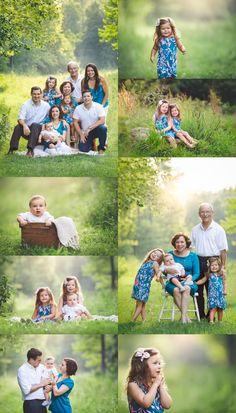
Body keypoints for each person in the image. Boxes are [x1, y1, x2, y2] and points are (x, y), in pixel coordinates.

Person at [190, 203, 228, 319]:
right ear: (199, 214)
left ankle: (210, 316)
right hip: (198, 260)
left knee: (212, 290)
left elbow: (223, 250)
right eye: (202, 212)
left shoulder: (218, 229)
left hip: (214, 262)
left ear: (212, 213)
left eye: (207, 211)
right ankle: (200, 315)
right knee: (198, 290)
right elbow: (190, 247)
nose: (205, 214)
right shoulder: (195, 229)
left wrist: (222, 267)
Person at [165, 233, 200, 323]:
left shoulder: (193, 256)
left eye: (182, 242)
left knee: (187, 288)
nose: (179, 244)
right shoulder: (169, 254)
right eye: (177, 242)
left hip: (188, 281)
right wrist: (167, 271)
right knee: (176, 290)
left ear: (186, 243)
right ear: (174, 243)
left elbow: (197, 273)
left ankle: (183, 318)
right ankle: (186, 318)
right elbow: (162, 269)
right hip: (172, 281)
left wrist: (190, 278)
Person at [7, 86, 50, 157]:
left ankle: (30, 150)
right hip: (27, 130)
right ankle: (11, 149)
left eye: (38, 94)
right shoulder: (26, 104)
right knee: (18, 127)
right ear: (31, 94)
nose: (36, 96)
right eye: (34, 94)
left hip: (39, 131)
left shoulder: (46, 105)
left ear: (41, 94)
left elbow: (52, 116)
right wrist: (24, 126)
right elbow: (20, 118)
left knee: (35, 125)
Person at [127, 347, 172, 413]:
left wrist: (161, 387)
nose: (159, 366)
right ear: (143, 367)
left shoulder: (156, 384)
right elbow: (146, 403)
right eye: (155, 363)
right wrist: (156, 384)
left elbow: (167, 405)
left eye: (159, 363)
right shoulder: (133, 385)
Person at [131, 248, 164, 322]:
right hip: (138, 286)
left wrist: (163, 284)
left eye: (158, 256)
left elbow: (159, 274)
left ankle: (132, 320)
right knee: (141, 305)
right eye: (154, 252)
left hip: (143, 287)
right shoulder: (146, 262)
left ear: (159, 260)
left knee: (139, 305)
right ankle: (145, 321)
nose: (155, 255)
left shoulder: (155, 263)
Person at [73, 90, 107, 154]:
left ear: (92, 97)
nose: (86, 98)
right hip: (85, 133)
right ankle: (90, 145)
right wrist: (81, 134)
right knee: (83, 149)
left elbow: (102, 120)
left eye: (88, 96)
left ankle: (101, 149)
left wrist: (89, 128)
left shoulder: (98, 106)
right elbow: (75, 122)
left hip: (96, 130)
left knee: (103, 128)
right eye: (84, 96)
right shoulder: (78, 108)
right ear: (82, 98)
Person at [17, 347, 51, 413]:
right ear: (31, 359)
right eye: (38, 360)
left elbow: (47, 381)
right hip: (31, 403)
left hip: (42, 402)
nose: (40, 362)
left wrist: (49, 387)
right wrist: (42, 384)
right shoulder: (22, 370)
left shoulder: (42, 367)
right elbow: (26, 390)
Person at [196, 257, 227, 323]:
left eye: (216, 265)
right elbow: (202, 280)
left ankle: (220, 321)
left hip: (220, 295)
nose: (214, 267)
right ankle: (211, 321)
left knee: (220, 309)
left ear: (219, 266)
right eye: (212, 265)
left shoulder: (221, 274)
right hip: (212, 295)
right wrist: (195, 283)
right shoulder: (209, 275)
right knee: (213, 308)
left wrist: (225, 290)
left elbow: (225, 283)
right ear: (209, 267)